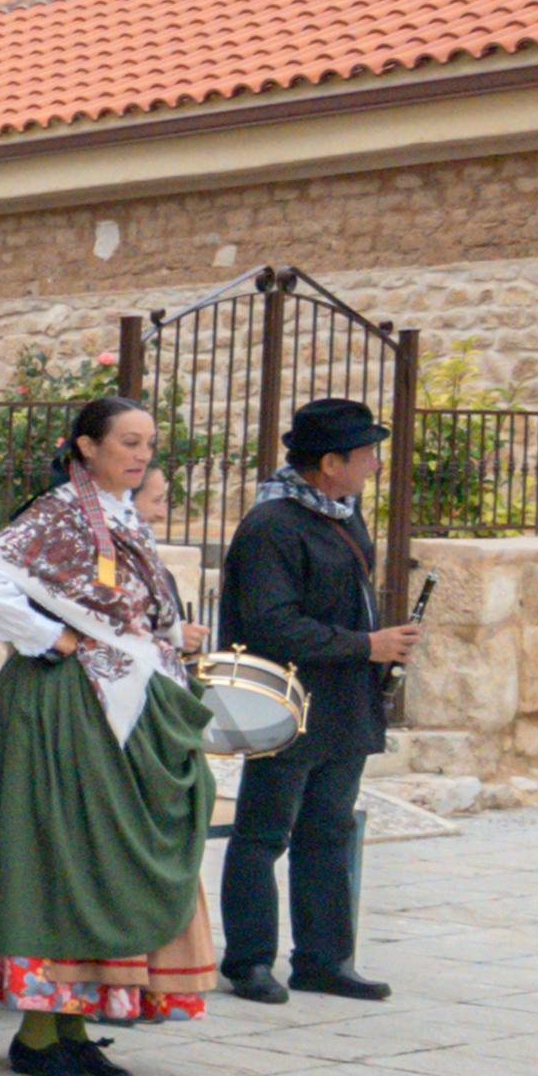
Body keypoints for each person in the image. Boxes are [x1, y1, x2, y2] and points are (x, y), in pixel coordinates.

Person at [0, 396, 221, 1076]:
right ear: (85, 446)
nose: (140, 454)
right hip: (62, 706)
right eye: (127, 441)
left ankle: (69, 1023)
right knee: (59, 854)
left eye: (147, 443)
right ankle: (37, 1031)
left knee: (95, 856)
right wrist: (50, 635)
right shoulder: (60, 515)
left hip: (113, 705)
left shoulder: (120, 518)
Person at [219, 397, 418, 1006]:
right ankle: (249, 960)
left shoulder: (340, 514)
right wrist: (368, 644)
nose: (375, 467)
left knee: (329, 831)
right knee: (263, 834)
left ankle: (324, 959)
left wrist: (374, 651)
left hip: (343, 702)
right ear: (329, 462)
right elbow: (273, 625)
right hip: (286, 705)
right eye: (366, 455)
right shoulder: (272, 526)